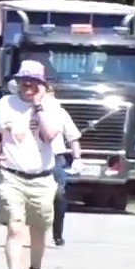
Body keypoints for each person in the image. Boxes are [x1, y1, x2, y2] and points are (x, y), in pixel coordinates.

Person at [0, 60, 66, 269]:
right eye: (23, 82)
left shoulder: (52, 106)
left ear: (41, 85)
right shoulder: (6, 104)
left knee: (38, 231)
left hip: (42, 179)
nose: (26, 87)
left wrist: (38, 107)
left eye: (32, 83)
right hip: (12, 176)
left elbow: (50, 136)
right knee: (15, 229)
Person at [46, 86, 82, 246]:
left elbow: (73, 137)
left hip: (56, 159)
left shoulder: (60, 113)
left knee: (59, 196)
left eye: (52, 95)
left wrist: (77, 157)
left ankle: (57, 234)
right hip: (34, 159)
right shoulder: (30, 111)